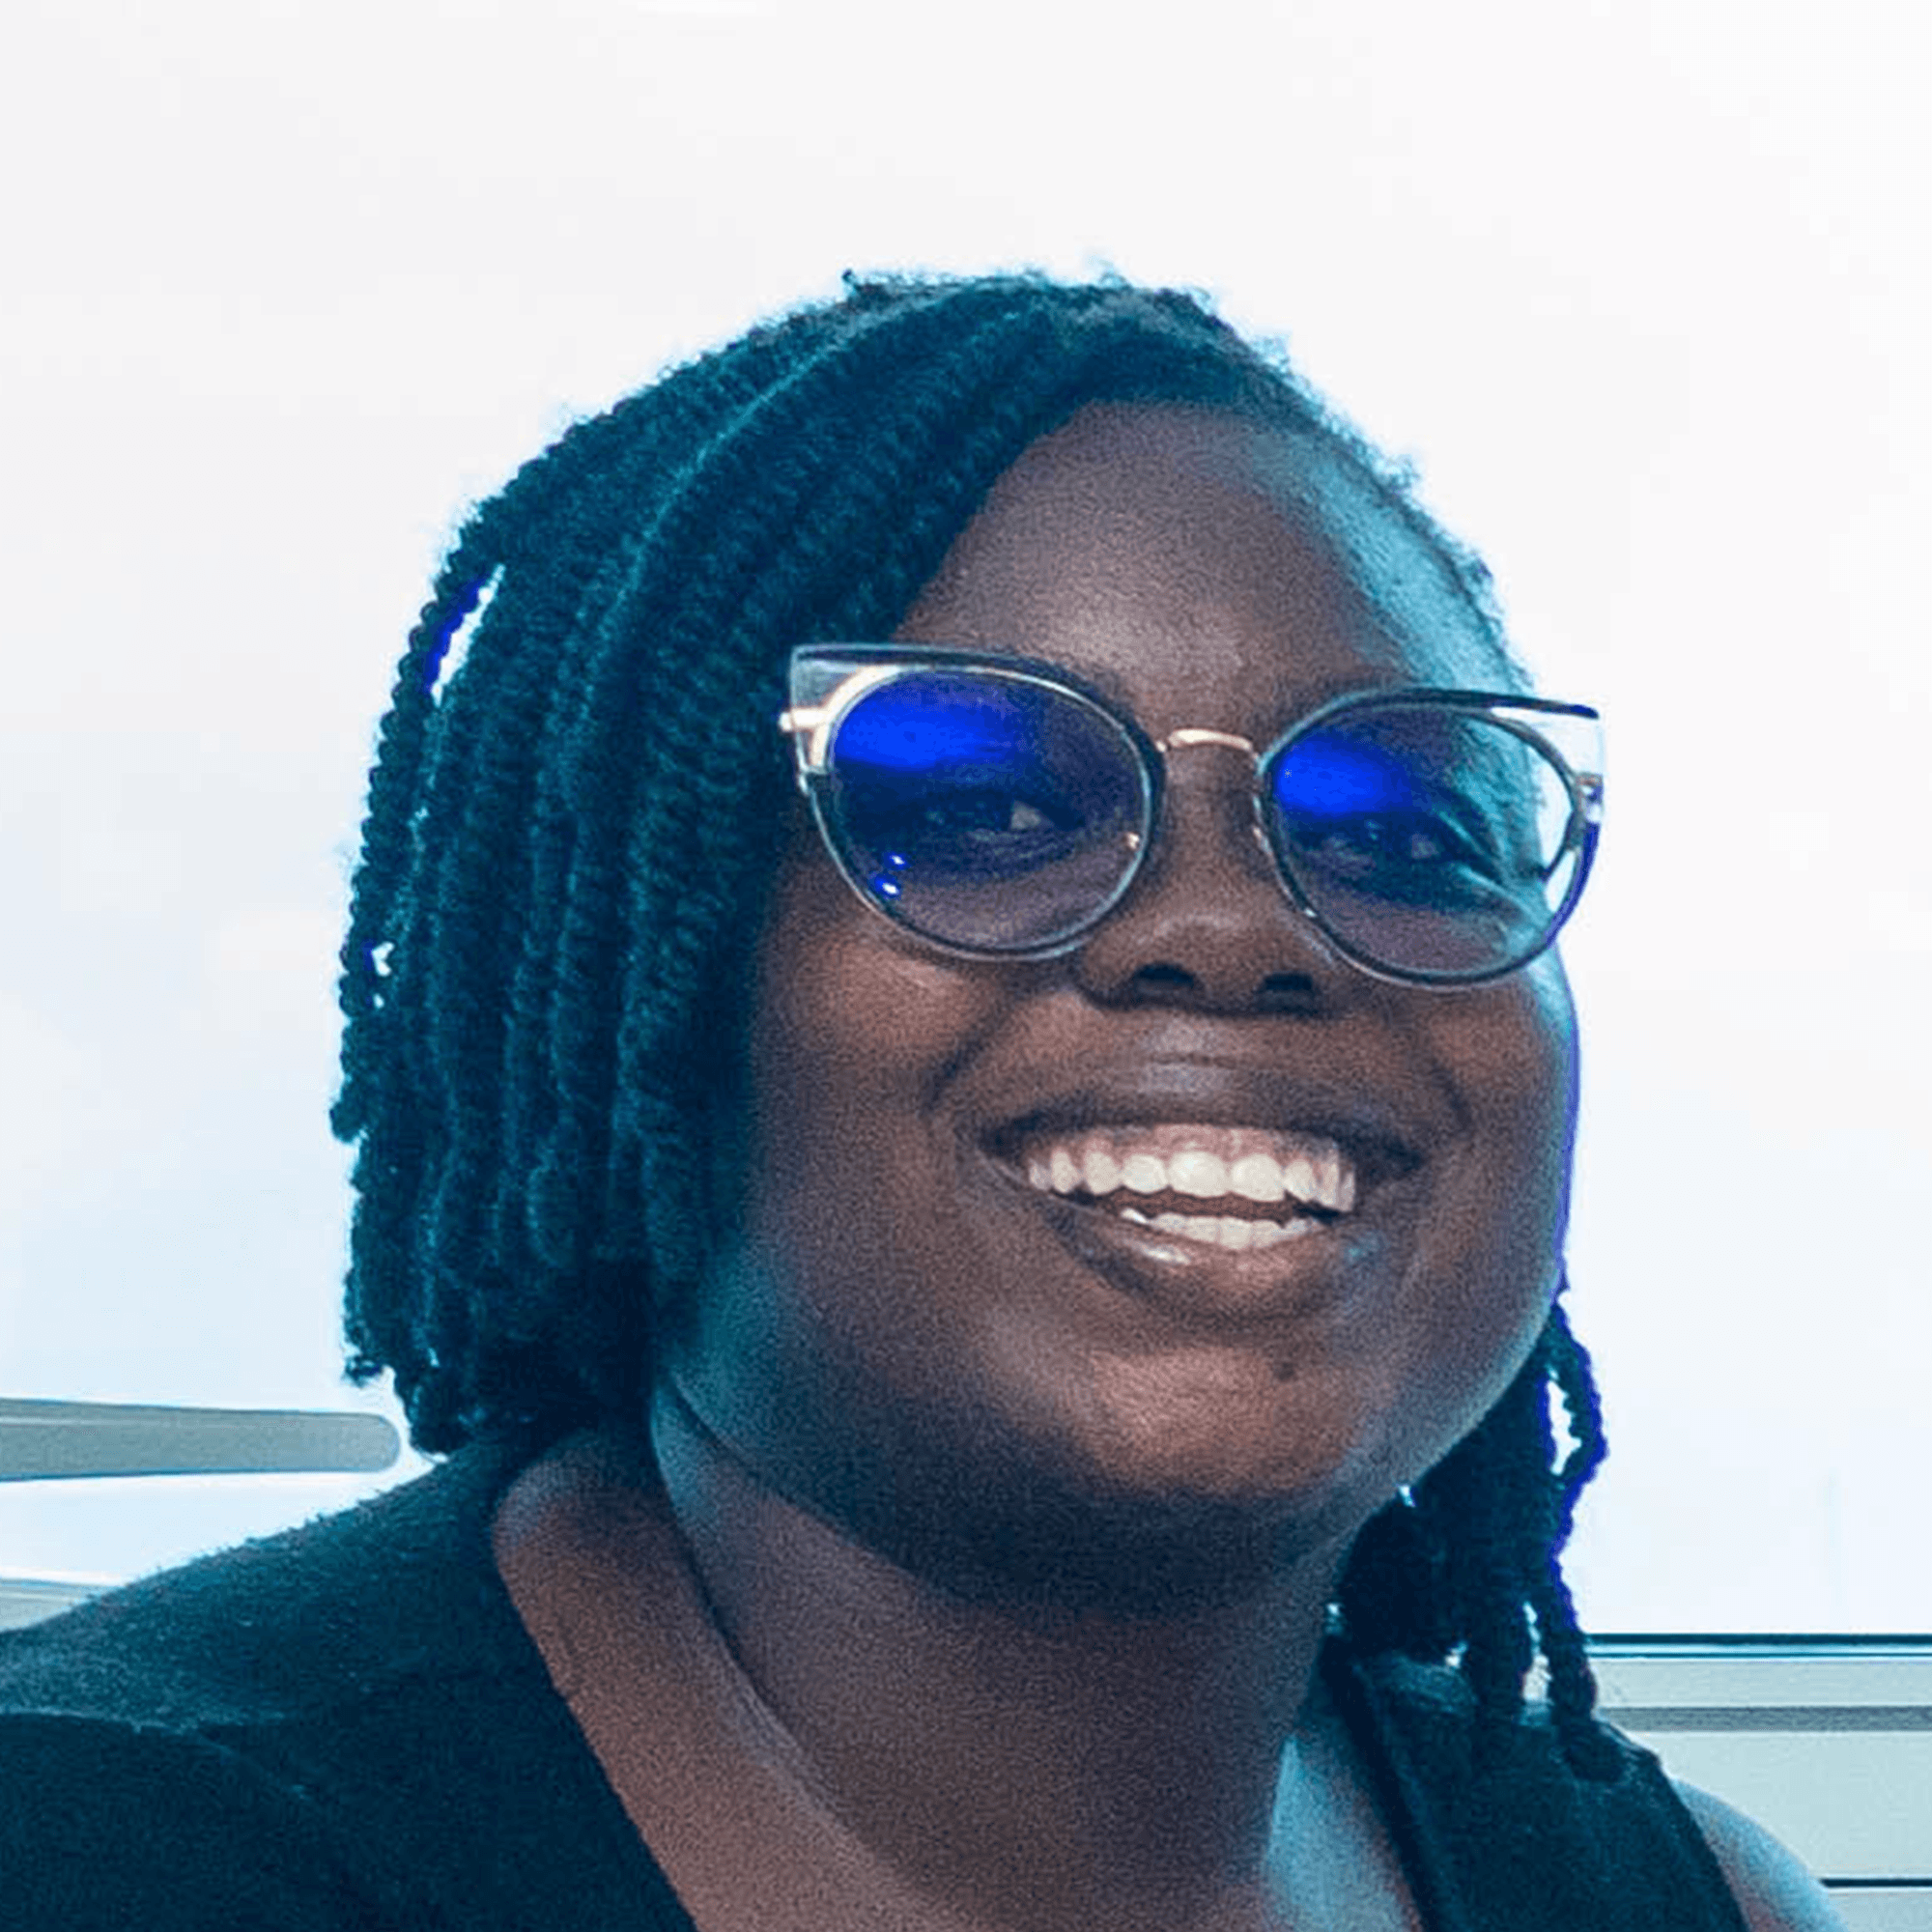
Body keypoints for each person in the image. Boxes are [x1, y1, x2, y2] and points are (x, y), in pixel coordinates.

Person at [0, 273, 1841, 1930]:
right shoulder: (119, 1854)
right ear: (658, 978)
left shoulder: (1683, 1906)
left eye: (1401, 833)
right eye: (974, 807)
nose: (1234, 923)